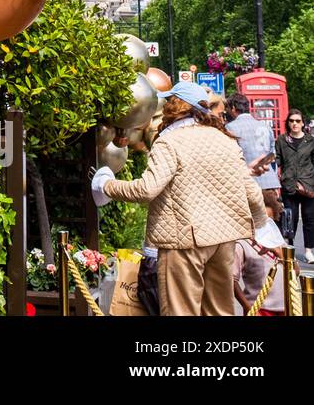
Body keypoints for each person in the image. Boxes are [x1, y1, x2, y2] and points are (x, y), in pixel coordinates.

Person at [93, 80, 268, 316]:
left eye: (168, 101)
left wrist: (106, 185)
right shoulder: (224, 139)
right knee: (219, 311)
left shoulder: (169, 140)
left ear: (177, 105)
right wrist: (259, 226)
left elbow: (146, 189)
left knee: (180, 311)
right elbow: (252, 192)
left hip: (183, 240)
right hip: (224, 240)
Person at [225, 93, 282, 220]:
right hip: (269, 181)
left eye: (228, 108)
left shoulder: (230, 127)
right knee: (270, 225)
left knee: (252, 226)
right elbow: (272, 154)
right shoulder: (265, 126)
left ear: (233, 108)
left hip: (248, 183)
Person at [275, 108, 314, 262]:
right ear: (288, 123)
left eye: (298, 121)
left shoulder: (310, 141)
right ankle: (290, 249)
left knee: (309, 219)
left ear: (303, 123)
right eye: (291, 121)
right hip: (289, 186)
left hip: (308, 185)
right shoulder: (282, 140)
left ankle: (308, 251)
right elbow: (277, 160)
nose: (295, 124)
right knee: (290, 219)